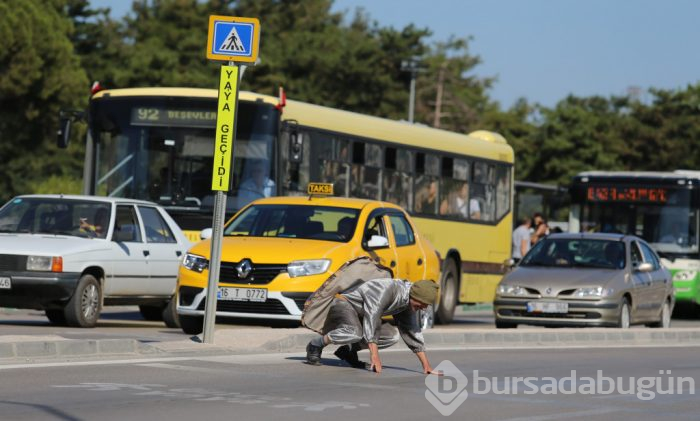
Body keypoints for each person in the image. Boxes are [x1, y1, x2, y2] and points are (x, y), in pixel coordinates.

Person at [305, 279, 441, 375]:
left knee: (392, 336)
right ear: (415, 295)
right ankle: (315, 345)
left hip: (363, 315)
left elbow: (412, 331)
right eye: (422, 304)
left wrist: (426, 365)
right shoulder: (389, 288)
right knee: (355, 333)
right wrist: (374, 355)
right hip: (344, 304)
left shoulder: (408, 302)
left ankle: (347, 351)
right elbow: (373, 316)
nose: (423, 308)